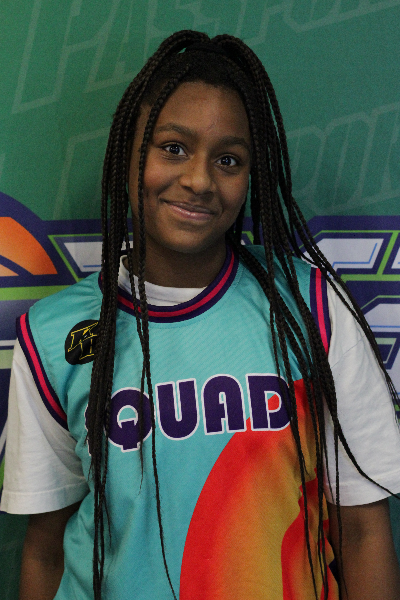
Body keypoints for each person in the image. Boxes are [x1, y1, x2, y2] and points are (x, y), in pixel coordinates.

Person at [1, 30, 400, 600]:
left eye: (228, 159)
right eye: (173, 148)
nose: (198, 180)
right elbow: (45, 548)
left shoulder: (311, 307)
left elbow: (363, 531)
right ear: (129, 153)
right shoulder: (53, 335)